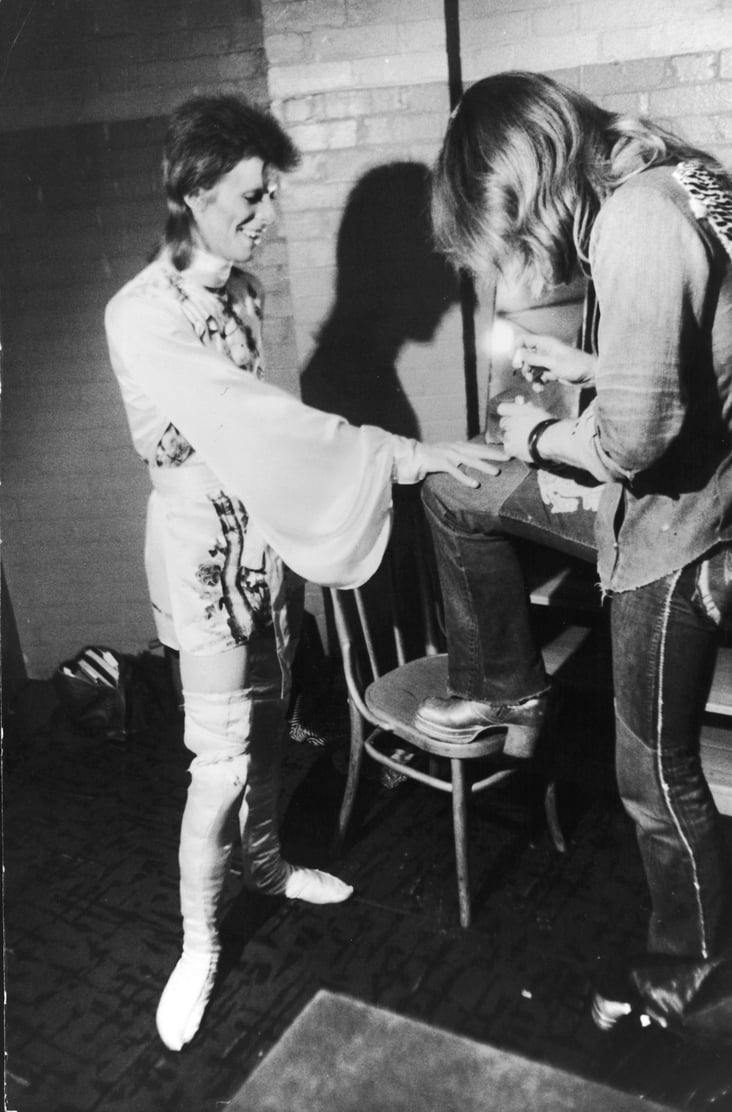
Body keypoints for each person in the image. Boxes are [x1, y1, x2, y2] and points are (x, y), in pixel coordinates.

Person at [105, 93, 503, 1052]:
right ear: (193, 192)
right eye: (249, 199)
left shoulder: (238, 294)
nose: (267, 218)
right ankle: (200, 945)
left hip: (261, 548)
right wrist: (408, 455)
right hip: (202, 559)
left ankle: (272, 864)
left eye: (273, 197)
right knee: (221, 766)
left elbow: (266, 439)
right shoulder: (140, 314)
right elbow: (262, 426)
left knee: (277, 725)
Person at [414, 72, 732, 1028]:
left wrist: (535, 438)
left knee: (653, 775)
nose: (517, 267)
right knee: (456, 492)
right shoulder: (681, 181)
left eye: (506, 237)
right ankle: (511, 688)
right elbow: (707, 357)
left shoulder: (632, 221)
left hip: (687, 530)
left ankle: (689, 969)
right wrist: (588, 368)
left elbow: (635, 442)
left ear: (528, 183)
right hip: (719, 501)